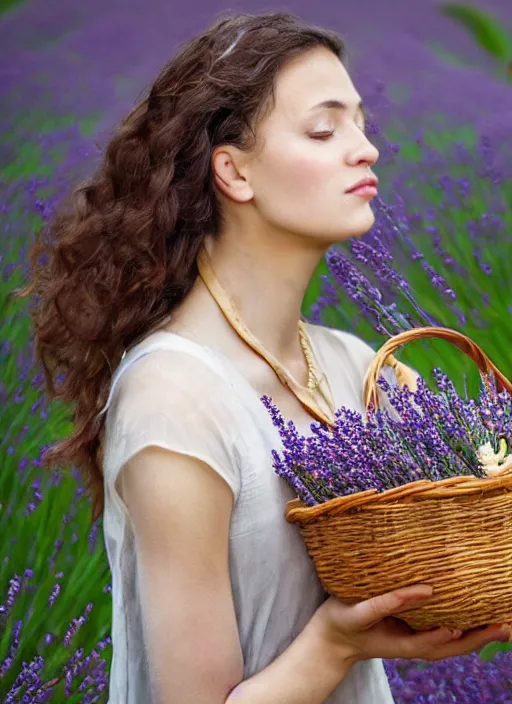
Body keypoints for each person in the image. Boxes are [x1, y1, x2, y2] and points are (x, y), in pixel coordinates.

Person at [16, 10, 511, 704]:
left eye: (361, 123)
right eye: (323, 128)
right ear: (234, 172)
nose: (365, 148)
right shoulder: (174, 401)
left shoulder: (357, 365)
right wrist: (337, 642)